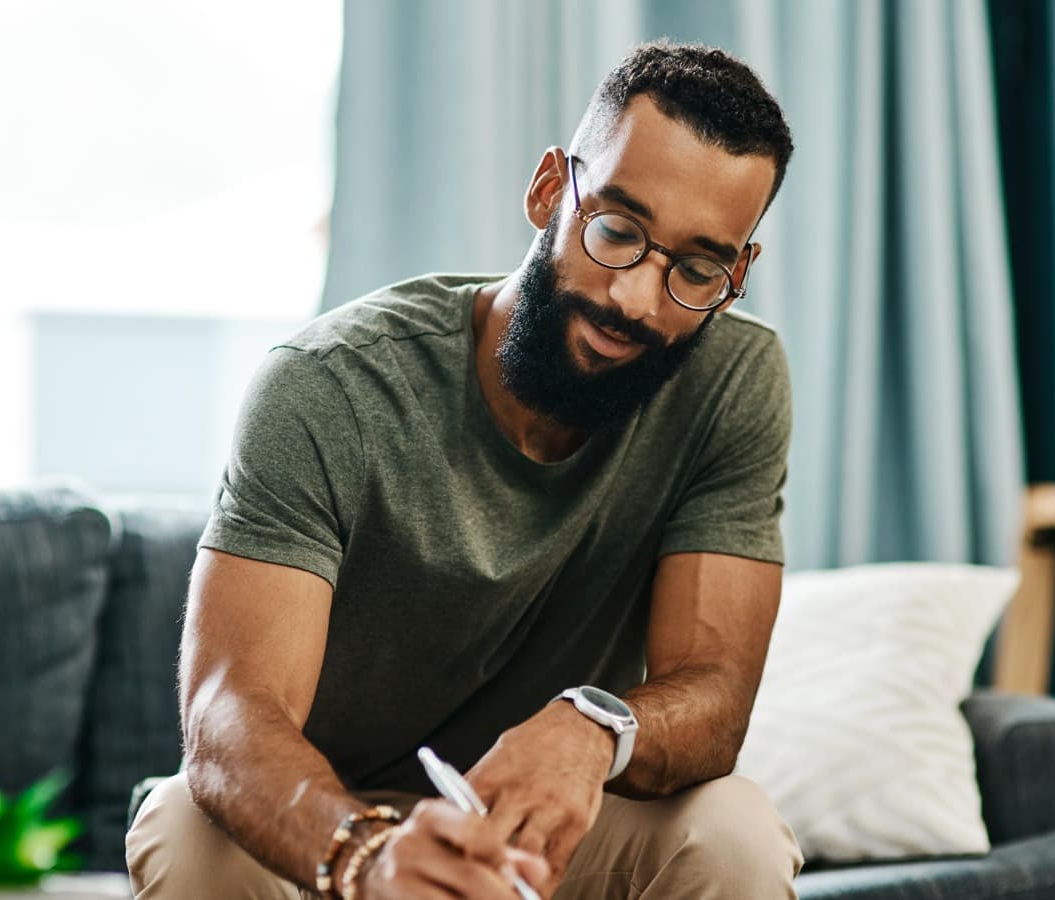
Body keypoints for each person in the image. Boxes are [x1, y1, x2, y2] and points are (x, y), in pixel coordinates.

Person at [127, 39, 802, 899]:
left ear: (737, 273)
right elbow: (230, 714)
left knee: (733, 831)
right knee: (188, 829)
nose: (634, 298)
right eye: (616, 231)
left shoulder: (733, 382)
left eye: (697, 270)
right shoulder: (328, 386)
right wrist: (369, 860)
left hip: (543, 826)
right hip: (330, 821)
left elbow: (715, 696)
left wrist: (595, 728)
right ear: (550, 190)